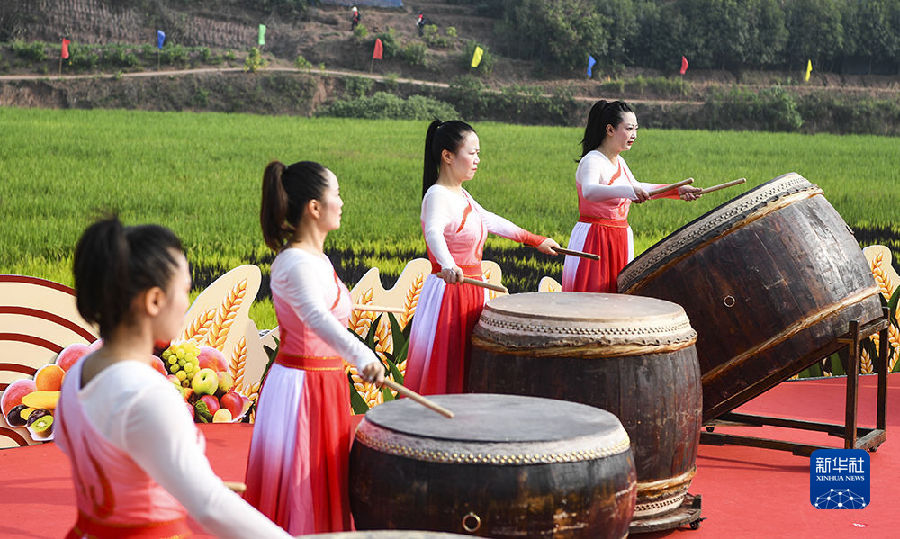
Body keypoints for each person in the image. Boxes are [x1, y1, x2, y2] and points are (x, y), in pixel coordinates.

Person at [55, 217, 290, 539]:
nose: (186, 302)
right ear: (154, 301)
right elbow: (209, 505)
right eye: (184, 290)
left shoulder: (77, 376)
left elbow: (108, 465)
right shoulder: (147, 393)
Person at [244, 160, 384, 534]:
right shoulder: (294, 263)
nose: (342, 202)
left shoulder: (318, 260)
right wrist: (363, 356)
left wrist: (356, 359)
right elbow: (317, 319)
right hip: (300, 388)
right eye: (335, 194)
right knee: (301, 485)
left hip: (327, 381)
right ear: (314, 207)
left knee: (323, 480)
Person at [404, 120, 559, 396]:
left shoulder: (462, 195)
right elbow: (433, 231)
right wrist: (448, 264)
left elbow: (490, 221)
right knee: (448, 366)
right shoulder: (438, 195)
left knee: (469, 366)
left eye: (479, 153)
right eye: (472, 153)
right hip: (450, 292)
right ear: (447, 156)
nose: (477, 160)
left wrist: (535, 240)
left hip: (472, 290)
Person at [561, 100, 702, 293]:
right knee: (591, 301)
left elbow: (638, 187)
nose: (634, 135)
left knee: (619, 299)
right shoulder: (593, 160)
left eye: (636, 129)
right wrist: (628, 191)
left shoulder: (620, 161)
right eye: (629, 128)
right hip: (594, 238)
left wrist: (675, 190)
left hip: (620, 236)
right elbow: (590, 191)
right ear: (610, 130)